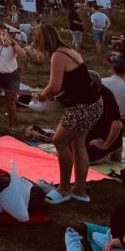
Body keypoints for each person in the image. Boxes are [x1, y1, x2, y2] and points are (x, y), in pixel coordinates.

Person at [33, 23, 103, 204]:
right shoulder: (68, 50)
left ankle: (64, 188)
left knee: (59, 140)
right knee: (78, 144)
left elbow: (54, 86)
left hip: (82, 106)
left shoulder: (57, 55)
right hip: (94, 103)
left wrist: (40, 96)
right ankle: (80, 190)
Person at [0, 24, 26, 129]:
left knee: (10, 101)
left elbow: (23, 55)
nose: (2, 31)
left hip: (11, 76)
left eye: (4, 30)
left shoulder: (12, 42)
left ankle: (12, 124)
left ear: (7, 32)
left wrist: (12, 44)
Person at [86, 80, 123, 164]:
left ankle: (115, 147)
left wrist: (105, 145)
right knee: (70, 151)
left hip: (104, 137)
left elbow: (117, 124)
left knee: (84, 158)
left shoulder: (106, 95)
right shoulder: (83, 93)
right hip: (92, 134)